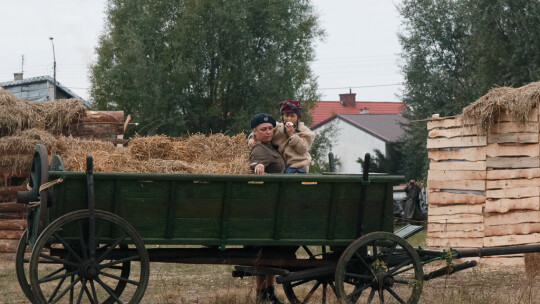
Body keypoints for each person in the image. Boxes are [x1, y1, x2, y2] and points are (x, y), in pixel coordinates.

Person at [249, 113, 284, 304]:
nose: (268, 132)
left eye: (270, 128)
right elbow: (255, 162)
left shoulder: (271, 147)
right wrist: (257, 166)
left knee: (270, 251)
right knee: (264, 251)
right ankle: (262, 293)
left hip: (274, 206)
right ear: (255, 131)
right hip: (267, 208)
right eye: (263, 129)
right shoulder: (260, 150)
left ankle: (269, 291)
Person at [249, 100, 314, 173]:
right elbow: (263, 131)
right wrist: (252, 137)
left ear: (298, 118)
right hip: (282, 166)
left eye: (292, 116)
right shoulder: (277, 128)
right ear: (282, 117)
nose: (289, 119)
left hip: (297, 167)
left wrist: (292, 135)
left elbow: (303, 149)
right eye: (286, 116)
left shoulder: (305, 132)